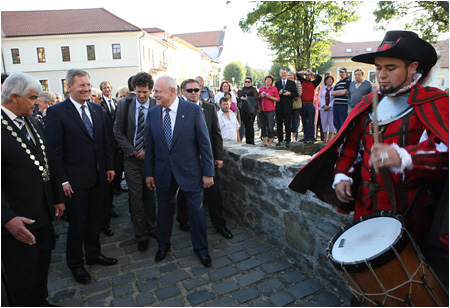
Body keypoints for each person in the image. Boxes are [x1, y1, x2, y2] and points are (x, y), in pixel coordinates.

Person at [289, 30, 449, 287]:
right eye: (378, 67)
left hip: (411, 211)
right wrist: (342, 175)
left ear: (413, 68)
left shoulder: (434, 102)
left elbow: (444, 151)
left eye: (391, 67)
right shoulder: (370, 104)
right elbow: (351, 148)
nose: (381, 74)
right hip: (366, 207)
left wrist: (404, 156)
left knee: (408, 282)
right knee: (368, 280)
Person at [45, 69, 118, 284]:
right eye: (81, 86)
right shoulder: (57, 112)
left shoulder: (97, 109)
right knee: (77, 223)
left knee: (95, 219)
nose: (86, 89)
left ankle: (94, 255)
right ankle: (76, 264)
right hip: (74, 182)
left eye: (88, 85)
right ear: (69, 87)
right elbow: (54, 152)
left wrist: (109, 166)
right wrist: (63, 181)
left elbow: (105, 141)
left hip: (98, 178)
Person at [1, 72, 65, 306]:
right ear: (14, 97)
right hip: (17, 221)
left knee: (41, 267)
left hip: (44, 214)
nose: (37, 102)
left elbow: (48, 161)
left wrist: (57, 197)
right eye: (32, 98)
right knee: (22, 276)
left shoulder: (33, 121)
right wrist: (7, 218)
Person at [145, 76, 215, 267]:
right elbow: (149, 146)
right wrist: (149, 173)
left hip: (190, 172)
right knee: (164, 211)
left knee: (196, 213)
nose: (154, 94)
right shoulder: (152, 113)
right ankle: (163, 244)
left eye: (158, 91)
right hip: (163, 173)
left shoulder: (192, 110)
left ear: (172, 91)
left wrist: (208, 172)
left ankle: (201, 249)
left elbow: (204, 144)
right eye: (154, 91)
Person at [177, 79, 233, 240]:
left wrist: (219, 157)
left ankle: (220, 225)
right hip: (186, 162)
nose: (194, 93)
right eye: (190, 90)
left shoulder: (209, 108)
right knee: (184, 192)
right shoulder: (178, 109)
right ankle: (182, 219)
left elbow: (216, 134)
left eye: (196, 90)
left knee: (214, 193)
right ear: (183, 92)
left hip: (207, 159)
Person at [113, 72, 157, 252]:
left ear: (150, 90)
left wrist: (148, 150)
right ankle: (141, 234)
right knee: (135, 196)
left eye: (145, 92)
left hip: (150, 158)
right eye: (138, 91)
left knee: (150, 194)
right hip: (131, 159)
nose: (141, 96)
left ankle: (152, 227)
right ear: (134, 89)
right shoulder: (125, 104)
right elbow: (117, 131)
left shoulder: (156, 105)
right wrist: (132, 150)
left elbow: (159, 132)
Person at [91, 88, 116, 237]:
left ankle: (105, 224)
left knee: (106, 197)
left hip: (104, 166)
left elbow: (109, 140)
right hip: (85, 169)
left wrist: (110, 164)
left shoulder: (101, 112)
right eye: (98, 97)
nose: (100, 100)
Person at [297, 69, 322, 144]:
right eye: (306, 75)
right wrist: (302, 72)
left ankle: (311, 138)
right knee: (304, 122)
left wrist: (312, 73)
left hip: (310, 104)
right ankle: (306, 137)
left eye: (309, 75)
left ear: (311, 76)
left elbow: (319, 78)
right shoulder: (302, 81)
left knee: (311, 122)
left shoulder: (314, 83)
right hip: (303, 104)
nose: (307, 76)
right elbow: (297, 74)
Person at [274, 69, 298, 147]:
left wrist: (289, 93)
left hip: (288, 106)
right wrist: (279, 93)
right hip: (279, 106)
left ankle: (288, 140)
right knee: (279, 124)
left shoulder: (292, 83)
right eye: (282, 73)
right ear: (280, 74)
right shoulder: (277, 83)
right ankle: (280, 140)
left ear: (287, 74)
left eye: (284, 73)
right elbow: (274, 94)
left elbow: (296, 93)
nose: (283, 74)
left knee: (288, 124)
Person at [258, 75, 280, 147]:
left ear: (272, 82)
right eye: (267, 80)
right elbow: (257, 98)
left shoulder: (274, 89)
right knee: (263, 126)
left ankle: (270, 142)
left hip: (270, 110)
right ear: (265, 81)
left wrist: (270, 97)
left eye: (270, 80)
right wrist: (261, 96)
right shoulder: (261, 88)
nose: (268, 81)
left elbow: (278, 99)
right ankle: (264, 142)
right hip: (262, 110)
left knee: (270, 126)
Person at [237, 77, 259, 145]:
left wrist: (248, 98)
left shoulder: (253, 90)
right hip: (243, 110)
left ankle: (251, 141)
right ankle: (247, 141)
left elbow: (256, 99)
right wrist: (241, 98)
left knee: (250, 126)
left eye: (248, 82)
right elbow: (239, 98)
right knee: (245, 126)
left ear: (251, 82)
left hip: (251, 110)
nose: (247, 83)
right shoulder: (242, 90)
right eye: (245, 81)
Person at [331, 67, 351, 132]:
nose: (341, 74)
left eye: (342, 72)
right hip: (336, 105)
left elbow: (345, 92)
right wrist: (341, 92)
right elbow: (332, 93)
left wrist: (338, 92)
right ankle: (339, 135)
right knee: (336, 123)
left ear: (346, 73)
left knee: (343, 122)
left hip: (343, 105)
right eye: (340, 72)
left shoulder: (348, 81)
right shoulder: (338, 83)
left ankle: (343, 137)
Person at [318, 76, 335, 143]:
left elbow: (335, 98)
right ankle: (325, 138)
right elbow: (320, 97)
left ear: (332, 80)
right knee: (324, 122)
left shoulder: (335, 87)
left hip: (331, 108)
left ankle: (330, 138)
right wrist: (323, 105)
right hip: (323, 108)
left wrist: (329, 106)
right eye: (327, 80)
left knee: (331, 123)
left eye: (330, 80)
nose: (328, 81)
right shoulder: (322, 88)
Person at [288, 71, 303, 142]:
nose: (290, 76)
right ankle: (288, 137)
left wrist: (290, 94)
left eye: (291, 75)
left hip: (296, 104)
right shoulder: (286, 83)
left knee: (295, 121)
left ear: (294, 76)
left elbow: (300, 93)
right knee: (288, 122)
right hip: (287, 104)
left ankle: (295, 137)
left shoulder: (298, 82)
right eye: (288, 75)